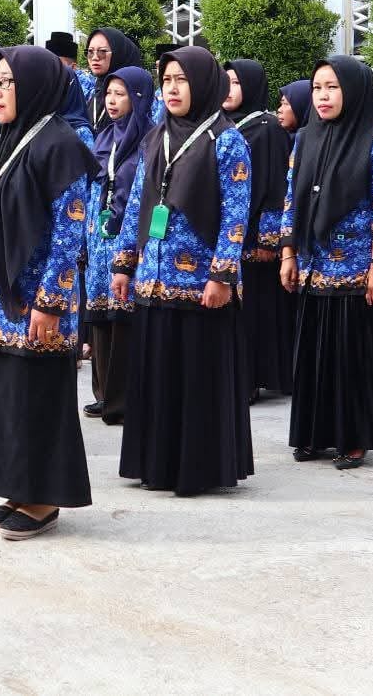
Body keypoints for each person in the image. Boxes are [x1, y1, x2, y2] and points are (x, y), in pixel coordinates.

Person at [0, 45, 97, 539]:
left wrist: (50, 302)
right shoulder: (1, 140)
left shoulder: (62, 145)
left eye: (5, 83)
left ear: (33, 85)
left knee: (37, 399)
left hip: (36, 304)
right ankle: (17, 489)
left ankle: (43, 499)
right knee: (6, 398)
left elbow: (70, 233)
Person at [110, 46, 252, 496]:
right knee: (158, 374)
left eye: (182, 80)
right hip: (153, 279)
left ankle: (199, 468)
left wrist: (221, 275)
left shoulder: (227, 141)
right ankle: (157, 463)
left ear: (203, 84)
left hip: (200, 285)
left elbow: (236, 216)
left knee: (196, 377)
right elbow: (138, 203)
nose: (171, 88)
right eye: (166, 80)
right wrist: (124, 263)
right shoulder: (157, 135)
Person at [281, 56, 373, 470]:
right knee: (315, 356)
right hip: (314, 267)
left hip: (356, 268)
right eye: (317, 88)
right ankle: (315, 434)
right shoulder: (305, 138)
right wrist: (288, 252)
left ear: (353, 91)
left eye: (332, 87)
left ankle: (354, 438)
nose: (323, 96)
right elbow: (291, 198)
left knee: (352, 357)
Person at [82, 65, 155, 425]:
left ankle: (123, 397)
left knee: (123, 317)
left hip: (126, 241)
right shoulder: (105, 137)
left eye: (121, 94)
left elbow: (143, 197)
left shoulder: (147, 141)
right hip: (99, 241)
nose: (111, 101)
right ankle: (103, 393)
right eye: (108, 93)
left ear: (138, 98)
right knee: (100, 317)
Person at [224, 59, 295, 402]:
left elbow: (276, 186)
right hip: (229, 236)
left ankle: (252, 377)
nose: (228, 89)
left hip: (255, 240)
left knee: (255, 311)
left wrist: (270, 240)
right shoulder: (225, 126)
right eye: (224, 82)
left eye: (236, 83)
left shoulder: (266, 127)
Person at [84, 28, 144, 132]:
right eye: (90, 52)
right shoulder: (93, 93)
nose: (94, 57)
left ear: (118, 53)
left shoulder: (135, 96)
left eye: (102, 51)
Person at [45, 30, 92, 96]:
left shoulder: (86, 86)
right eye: (49, 63)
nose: (53, 68)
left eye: (58, 64)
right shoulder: (45, 81)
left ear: (73, 67)